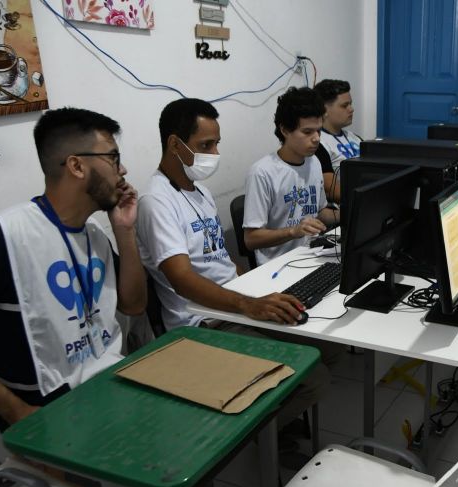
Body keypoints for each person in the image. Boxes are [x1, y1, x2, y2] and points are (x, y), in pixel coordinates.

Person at [0, 107, 148, 487]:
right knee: (119, 482)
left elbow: (133, 305)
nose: (122, 169)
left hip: (104, 386)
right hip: (40, 410)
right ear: (76, 165)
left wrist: (124, 230)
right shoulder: (2, 237)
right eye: (112, 157)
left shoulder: (94, 234)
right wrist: (15, 409)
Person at [136, 98, 329, 438]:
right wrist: (247, 304)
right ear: (174, 144)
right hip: (203, 322)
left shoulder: (201, 193)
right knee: (314, 379)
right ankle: (250, 438)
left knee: (326, 342)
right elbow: (182, 279)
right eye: (205, 145)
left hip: (233, 305)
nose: (214, 153)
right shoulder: (156, 202)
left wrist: (254, 292)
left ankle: (273, 424)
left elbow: (221, 263)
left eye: (216, 143)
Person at [243, 87, 339, 265]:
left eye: (319, 131)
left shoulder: (314, 162)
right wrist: (293, 231)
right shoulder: (263, 172)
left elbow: (320, 212)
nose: (317, 138)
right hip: (278, 265)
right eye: (307, 132)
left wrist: (348, 213)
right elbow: (251, 239)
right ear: (285, 130)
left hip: (311, 256)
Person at [313, 79, 362, 203]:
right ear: (324, 110)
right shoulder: (318, 143)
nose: (351, 109)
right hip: (343, 210)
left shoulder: (355, 137)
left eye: (350, 104)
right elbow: (331, 190)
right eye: (345, 105)